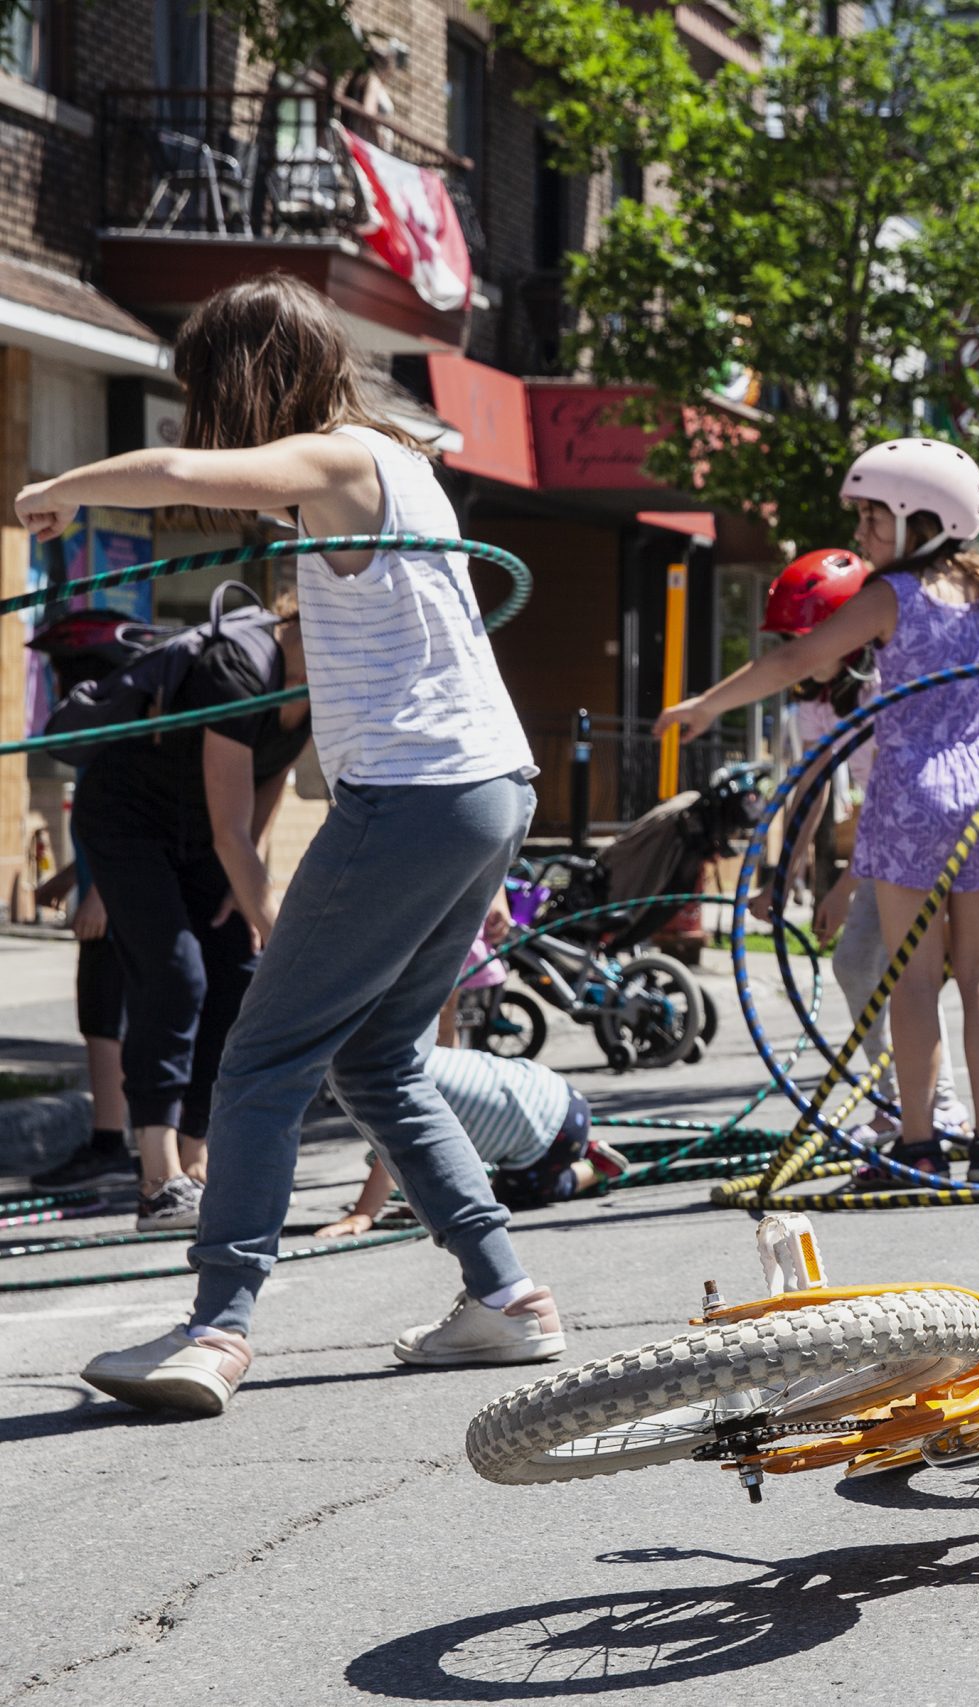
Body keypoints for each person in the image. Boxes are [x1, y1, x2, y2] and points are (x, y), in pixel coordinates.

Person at [32, 273, 557, 1418]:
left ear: (245, 382)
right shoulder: (400, 461)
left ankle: (216, 1328)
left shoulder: (334, 460)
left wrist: (58, 490)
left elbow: (176, 476)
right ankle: (505, 1299)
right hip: (486, 791)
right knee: (375, 1062)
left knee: (262, 1061)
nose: (194, 421)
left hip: (414, 797)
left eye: (200, 393)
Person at [660, 439, 979, 1183]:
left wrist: (707, 704)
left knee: (912, 977)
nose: (859, 534)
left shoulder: (890, 596)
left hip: (911, 792)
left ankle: (917, 1142)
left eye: (870, 518)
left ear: (919, 520)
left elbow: (796, 661)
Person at [67, 590, 310, 1232]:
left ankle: (196, 1154)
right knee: (175, 975)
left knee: (237, 971)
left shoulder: (326, 681)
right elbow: (228, 823)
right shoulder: (237, 667)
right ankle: (156, 1178)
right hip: (129, 821)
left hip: (204, 831)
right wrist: (276, 923)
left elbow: (273, 773)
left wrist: (248, 877)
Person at [758, 549, 969, 1149]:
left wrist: (847, 884)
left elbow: (894, 798)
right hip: (890, 837)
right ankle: (895, 1100)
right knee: (864, 965)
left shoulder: (887, 685)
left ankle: (939, 1105)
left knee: (900, 967)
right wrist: (783, 875)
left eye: (811, 637)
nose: (804, 652)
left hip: (930, 826)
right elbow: (813, 791)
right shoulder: (817, 702)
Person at [316, 1048, 622, 1237]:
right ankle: (569, 1155)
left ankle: (593, 1168)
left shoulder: (381, 1083)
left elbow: (393, 1152)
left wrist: (363, 1213)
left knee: (513, 1195)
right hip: (554, 1090)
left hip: (554, 1129)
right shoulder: (403, 1051)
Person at [27, 859, 131, 1189]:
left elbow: (129, 822)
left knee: (104, 1023)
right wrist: (70, 877)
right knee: (106, 1022)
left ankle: (110, 1145)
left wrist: (102, 896)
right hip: (117, 900)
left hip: (119, 913)